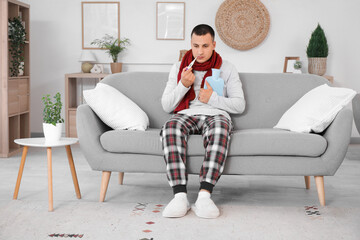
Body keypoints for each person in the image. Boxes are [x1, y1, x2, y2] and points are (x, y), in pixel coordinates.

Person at [160, 24, 246, 219]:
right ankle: (180, 196)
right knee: (170, 128)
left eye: (205, 46)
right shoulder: (178, 68)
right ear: (190, 44)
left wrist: (212, 99)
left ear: (214, 45)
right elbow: (166, 105)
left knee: (221, 129)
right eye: (195, 45)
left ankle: (204, 196)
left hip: (215, 114)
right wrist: (183, 85)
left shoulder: (228, 68)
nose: (199, 51)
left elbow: (240, 105)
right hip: (186, 113)